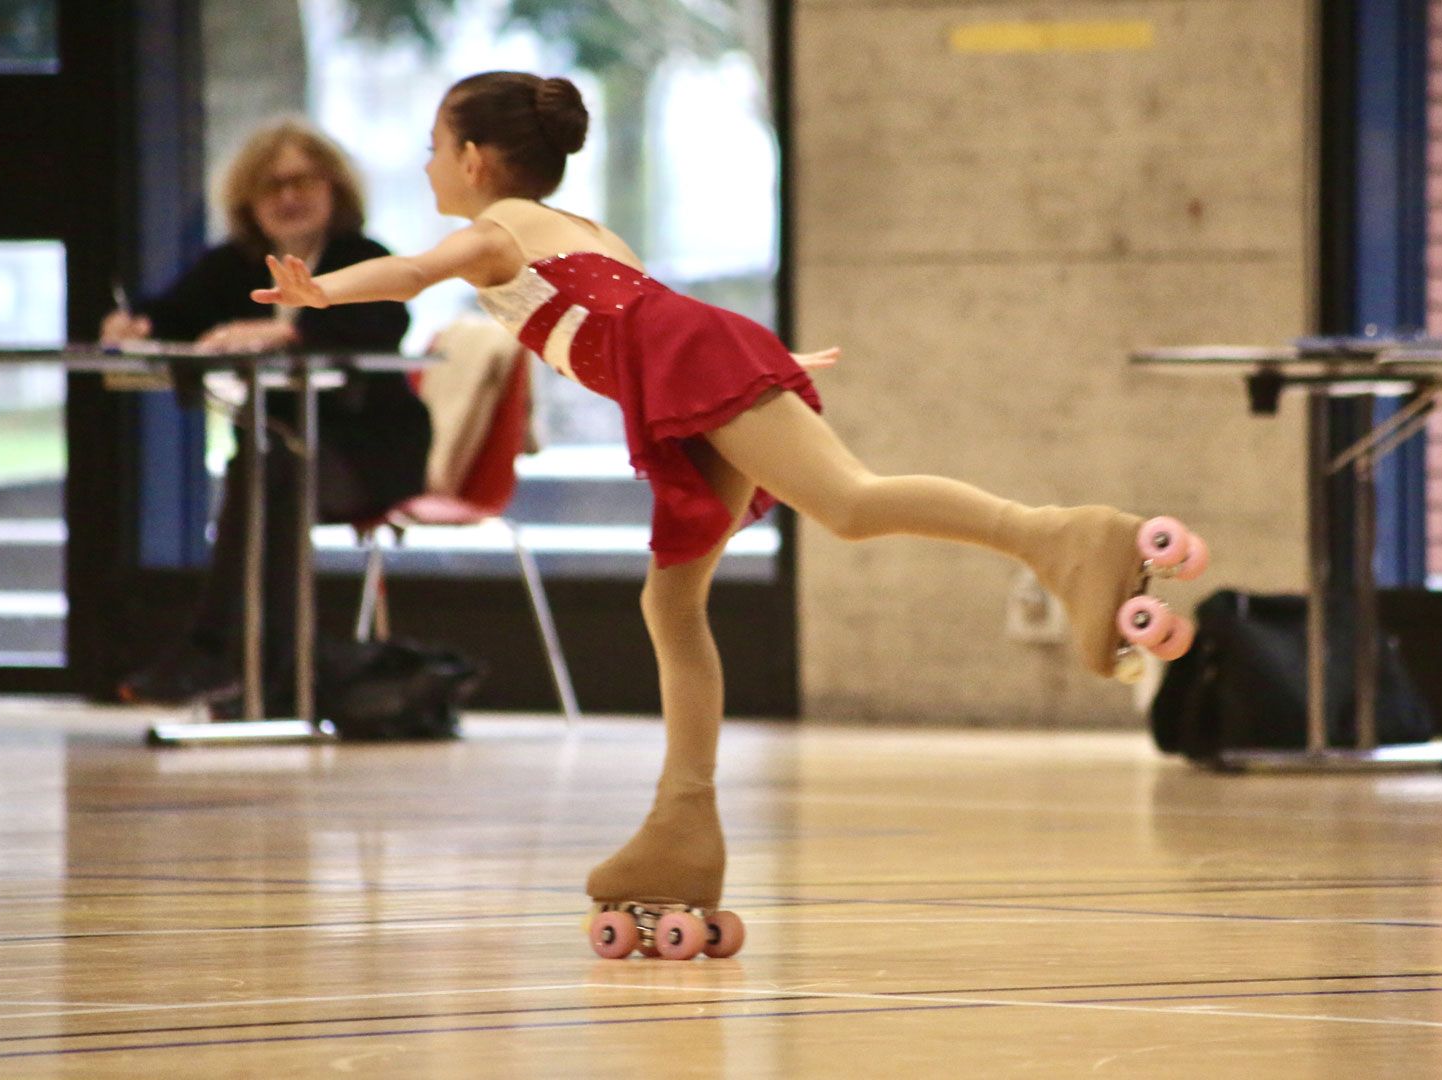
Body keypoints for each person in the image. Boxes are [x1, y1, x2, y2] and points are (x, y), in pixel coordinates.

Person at [250, 72, 1204, 939]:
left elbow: (416, 273)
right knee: (672, 601)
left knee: (850, 503)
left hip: (687, 374)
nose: (425, 164)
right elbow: (644, 307)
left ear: (472, 159)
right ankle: (683, 827)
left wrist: (320, 289)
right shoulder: (578, 228)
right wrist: (760, 358)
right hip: (687, 371)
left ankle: (1063, 538)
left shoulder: (497, 231)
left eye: (431, 146)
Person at [104, 118, 431, 708]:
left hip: (369, 457)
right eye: (271, 186)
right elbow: (174, 312)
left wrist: (288, 333)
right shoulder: (233, 265)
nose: (288, 197)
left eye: (302, 181)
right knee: (268, 468)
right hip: (279, 456)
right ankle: (266, 675)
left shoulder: (363, 258)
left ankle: (222, 657)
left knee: (269, 471)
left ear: (334, 188)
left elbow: (382, 320)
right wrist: (137, 325)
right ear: (248, 202)